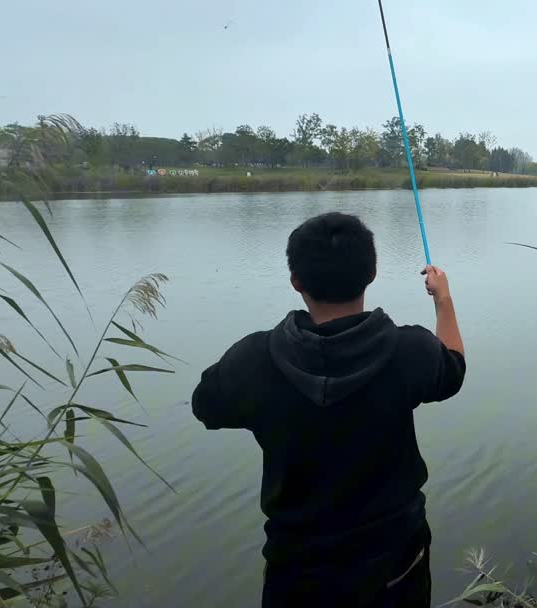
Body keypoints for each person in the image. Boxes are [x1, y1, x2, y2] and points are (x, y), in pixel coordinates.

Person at [191, 211, 466, 607]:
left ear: (295, 281)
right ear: (371, 273)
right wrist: (443, 298)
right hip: (395, 564)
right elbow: (453, 366)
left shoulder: (253, 359)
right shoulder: (411, 351)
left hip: (297, 572)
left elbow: (206, 407)